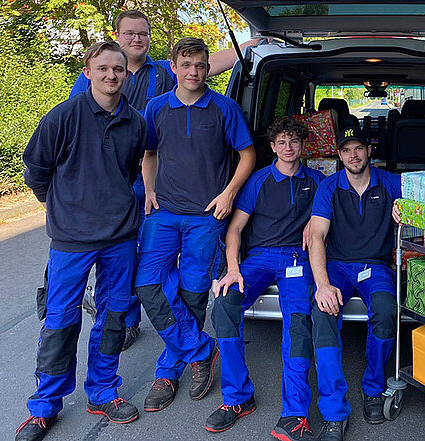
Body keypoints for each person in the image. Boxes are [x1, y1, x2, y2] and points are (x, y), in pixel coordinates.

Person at [68, 9, 263, 350]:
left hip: (191, 205)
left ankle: (178, 356)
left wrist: (253, 43)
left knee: (190, 283)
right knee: (137, 273)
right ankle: (187, 345)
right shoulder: (98, 77)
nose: (136, 39)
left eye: (142, 33)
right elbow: (93, 132)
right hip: (127, 186)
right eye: (129, 33)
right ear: (116, 36)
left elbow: (208, 62)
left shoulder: (164, 73)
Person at [16, 41, 146, 441]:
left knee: (113, 316)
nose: (111, 75)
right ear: (88, 72)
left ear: (127, 74)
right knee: (60, 320)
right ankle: (44, 406)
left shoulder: (136, 123)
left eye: (118, 70)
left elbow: (128, 172)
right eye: (103, 68)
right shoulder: (62, 117)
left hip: (120, 236)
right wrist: (62, 206)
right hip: (71, 239)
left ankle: (102, 392)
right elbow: (37, 171)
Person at [134, 37, 256, 413]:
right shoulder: (156, 107)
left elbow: (247, 154)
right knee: (147, 283)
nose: (194, 72)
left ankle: (168, 370)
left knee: (192, 290)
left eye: (201, 65)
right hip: (165, 213)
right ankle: (201, 349)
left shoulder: (224, 107)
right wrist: (149, 189)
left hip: (206, 216)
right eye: (186, 65)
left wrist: (229, 194)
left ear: (207, 67)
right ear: (173, 66)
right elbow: (148, 152)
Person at [207, 117, 325, 439]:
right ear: (272, 147)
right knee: (225, 305)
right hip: (258, 259)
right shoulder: (257, 181)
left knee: (299, 324)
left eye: (294, 142)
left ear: (303, 146)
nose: (288, 148)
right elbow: (235, 229)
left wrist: (313, 228)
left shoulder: (317, 181)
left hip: (297, 260)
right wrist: (232, 268)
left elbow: (327, 221)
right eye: (282, 143)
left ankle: (296, 414)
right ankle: (237, 398)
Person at [308, 127, 402, 441]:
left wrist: (409, 212)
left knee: (387, 311)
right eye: (346, 149)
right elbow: (317, 236)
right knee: (322, 314)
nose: (354, 155)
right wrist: (322, 285)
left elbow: (423, 211)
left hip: (375, 267)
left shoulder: (390, 182)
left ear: (369, 150)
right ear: (339, 154)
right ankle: (334, 411)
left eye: (359, 148)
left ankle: (373, 390)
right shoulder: (328, 186)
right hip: (336, 267)